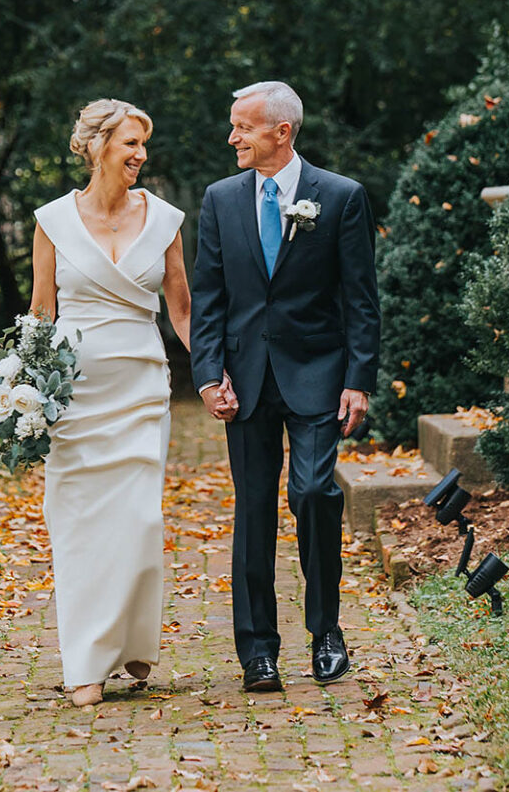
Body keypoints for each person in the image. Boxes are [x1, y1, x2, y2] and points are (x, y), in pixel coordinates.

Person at [189, 81, 381, 693]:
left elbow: (361, 300)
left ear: (282, 132)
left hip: (318, 375)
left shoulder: (341, 197)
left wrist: (358, 380)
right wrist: (206, 374)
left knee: (316, 491)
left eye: (243, 127)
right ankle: (258, 652)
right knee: (253, 513)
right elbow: (210, 297)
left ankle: (326, 632)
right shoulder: (220, 200)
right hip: (244, 379)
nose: (232, 138)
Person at [29, 98, 191, 708]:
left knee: (140, 522)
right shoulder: (52, 221)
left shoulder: (166, 220)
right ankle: (86, 665)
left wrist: (212, 373)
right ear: (97, 147)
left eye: (144, 146)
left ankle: (133, 643)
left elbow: (181, 310)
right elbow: (42, 313)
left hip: (142, 389)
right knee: (78, 527)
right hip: (74, 398)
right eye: (130, 144)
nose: (141, 156)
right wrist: (26, 390)